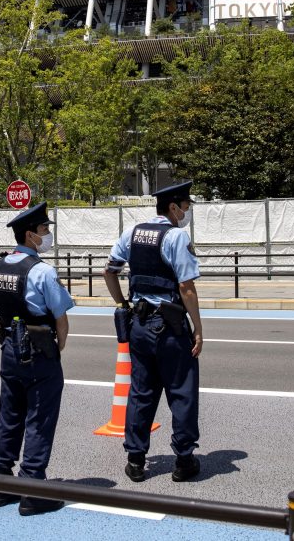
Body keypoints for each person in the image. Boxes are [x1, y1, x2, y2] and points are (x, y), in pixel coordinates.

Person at [103, 180, 204, 483]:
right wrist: (198, 328)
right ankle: (183, 461)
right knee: (181, 392)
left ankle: (135, 460)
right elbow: (186, 286)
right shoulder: (175, 237)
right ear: (173, 207)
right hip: (170, 326)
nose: (186, 213)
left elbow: (109, 270)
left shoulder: (132, 233)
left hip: (139, 325)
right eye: (185, 207)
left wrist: (122, 303)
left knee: (141, 392)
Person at [0, 202, 74, 515]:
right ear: (30, 234)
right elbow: (61, 320)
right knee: (39, 418)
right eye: (44, 230)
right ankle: (33, 488)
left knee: (9, 415)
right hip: (39, 350)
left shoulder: (0, 267)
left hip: (9, 347)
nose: (48, 234)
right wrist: (57, 348)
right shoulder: (42, 271)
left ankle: (0, 481)